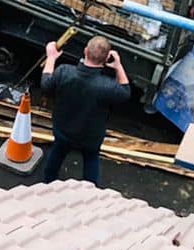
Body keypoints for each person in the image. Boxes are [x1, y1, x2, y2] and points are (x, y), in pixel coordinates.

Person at [36, 34, 130, 185]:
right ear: (107, 59)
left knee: (57, 153)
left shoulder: (64, 72)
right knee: (91, 159)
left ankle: (49, 183)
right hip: (90, 136)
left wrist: (51, 57)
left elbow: (46, 84)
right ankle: (90, 190)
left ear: (85, 51)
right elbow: (125, 92)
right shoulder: (107, 86)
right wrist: (118, 66)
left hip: (63, 130)